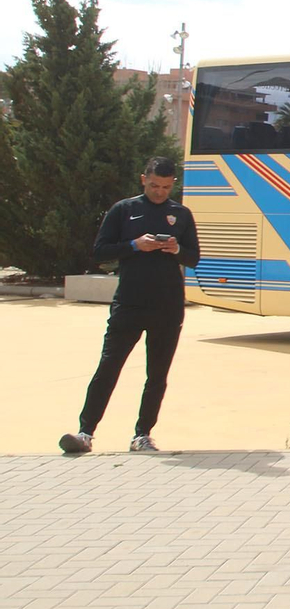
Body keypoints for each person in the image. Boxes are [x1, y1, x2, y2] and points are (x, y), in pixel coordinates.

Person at [59, 157, 200, 455]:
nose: (159, 192)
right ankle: (85, 433)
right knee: (109, 366)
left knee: (157, 374)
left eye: (165, 187)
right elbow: (100, 252)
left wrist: (176, 248)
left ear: (173, 184)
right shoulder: (124, 210)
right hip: (129, 304)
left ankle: (142, 435)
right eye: (154, 185)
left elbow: (193, 257)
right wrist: (135, 245)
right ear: (143, 179)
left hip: (168, 306)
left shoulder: (181, 214)